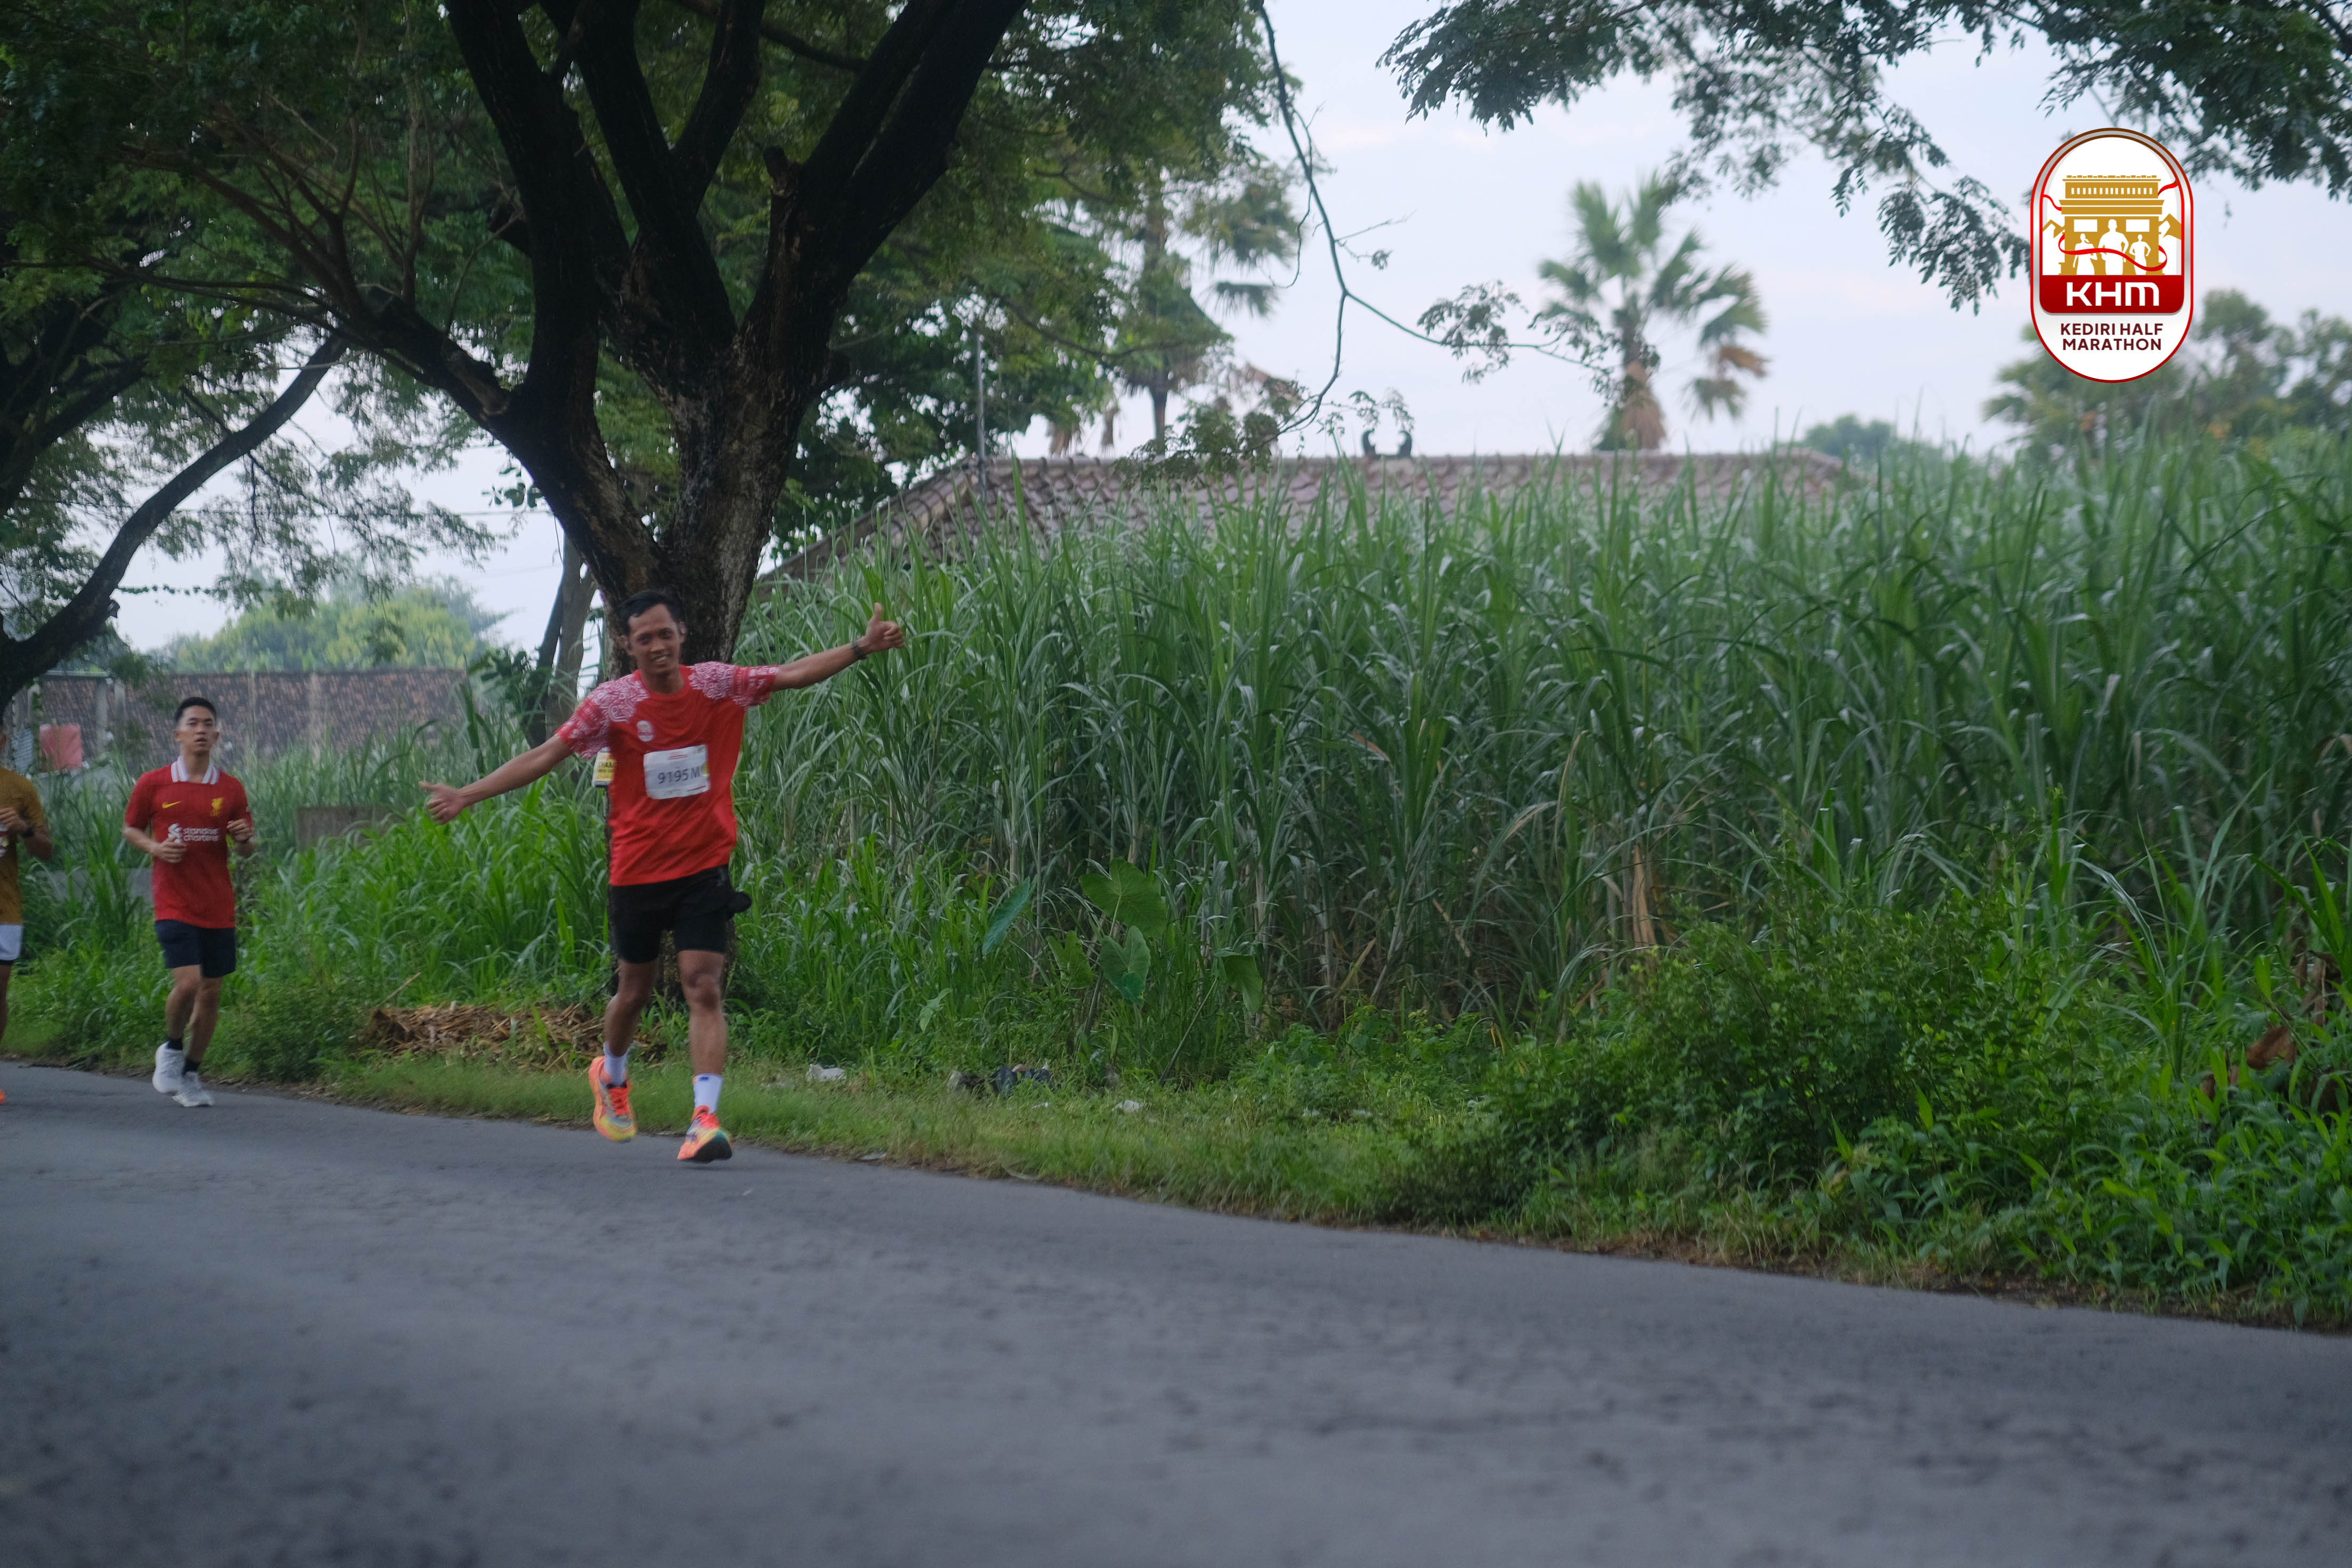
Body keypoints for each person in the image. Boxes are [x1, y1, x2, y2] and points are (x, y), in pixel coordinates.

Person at [423, 588, 906, 1163]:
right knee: (634, 992)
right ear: (627, 645)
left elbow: (791, 674)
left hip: (703, 869)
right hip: (637, 873)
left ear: (682, 635)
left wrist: (860, 647)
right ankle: (612, 1074)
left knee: (704, 986)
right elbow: (546, 755)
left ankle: (705, 1120)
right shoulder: (612, 704)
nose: (657, 646)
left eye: (665, 634)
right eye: (644, 638)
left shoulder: (716, 684)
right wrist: (467, 795)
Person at [124, 697, 257, 1108]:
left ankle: (192, 1075)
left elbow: (247, 848)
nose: (201, 730)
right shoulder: (154, 783)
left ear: (217, 735)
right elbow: (131, 828)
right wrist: (155, 848)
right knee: (189, 984)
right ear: (178, 733)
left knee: (212, 992)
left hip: (217, 903)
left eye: (208, 724)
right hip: (173, 902)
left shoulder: (230, 788)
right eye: (193, 723)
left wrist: (244, 840)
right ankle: (171, 1048)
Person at [0, 721, 56, 1101]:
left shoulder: (19, 788)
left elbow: (46, 850)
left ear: (2, 740)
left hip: (5, 906)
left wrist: (23, 828)